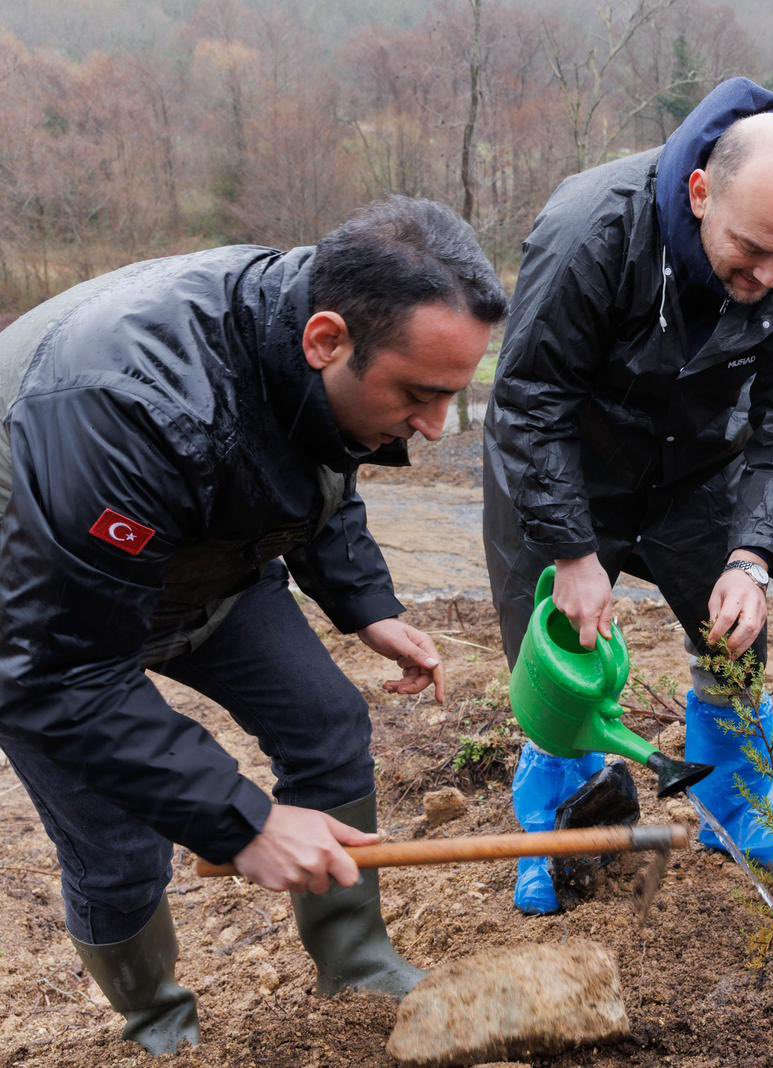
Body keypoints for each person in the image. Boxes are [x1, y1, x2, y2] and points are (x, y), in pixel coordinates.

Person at [0, 197, 506, 1053]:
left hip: (199, 564)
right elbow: (62, 669)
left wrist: (367, 605)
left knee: (328, 723)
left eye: (450, 398)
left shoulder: (305, 315)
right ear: (326, 341)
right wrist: (245, 824)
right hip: (32, 604)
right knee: (119, 843)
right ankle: (160, 1025)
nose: (429, 430)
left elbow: (321, 458)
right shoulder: (125, 409)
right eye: (419, 397)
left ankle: (357, 963)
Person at [482, 77, 773, 913]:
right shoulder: (593, 229)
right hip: (566, 463)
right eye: (751, 250)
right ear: (700, 193)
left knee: (735, 642)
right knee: (559, 666)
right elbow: (531, 401)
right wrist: (573, 551)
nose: (770, 275)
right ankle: (561, 825)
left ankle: (737, 805)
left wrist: (754, 557)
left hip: (697, 467)